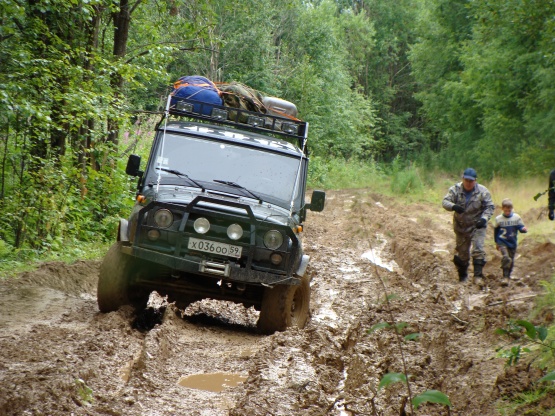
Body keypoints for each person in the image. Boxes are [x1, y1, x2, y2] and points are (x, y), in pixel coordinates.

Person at [442, 168, 495, 287]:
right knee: (462, 254)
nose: (468, 183)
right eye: (466, 180)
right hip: (461, 227)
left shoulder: (483, 191)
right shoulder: (455, 189)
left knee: (478, 248)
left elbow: (490, 207)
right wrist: (454, 206)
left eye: (471, 181)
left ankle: (478, 276)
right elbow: (445, 202)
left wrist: (484, 218)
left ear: (475, 181)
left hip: (477, 226)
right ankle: (462, 276)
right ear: (462, 179)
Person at [492, 198, 527, 286]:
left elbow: (520, 227)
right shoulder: (499, 219)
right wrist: (496, 242)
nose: (507, 212)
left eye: (509, 210)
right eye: (506, 210)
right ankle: (505, 276)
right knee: (506, 257)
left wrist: (523, 229)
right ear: (502, 209)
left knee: (511, 260)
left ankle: (508, 275)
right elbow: (496, 231)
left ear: (512, 209)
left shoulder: (516, 218)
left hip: (512, 242)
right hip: (502, 241)